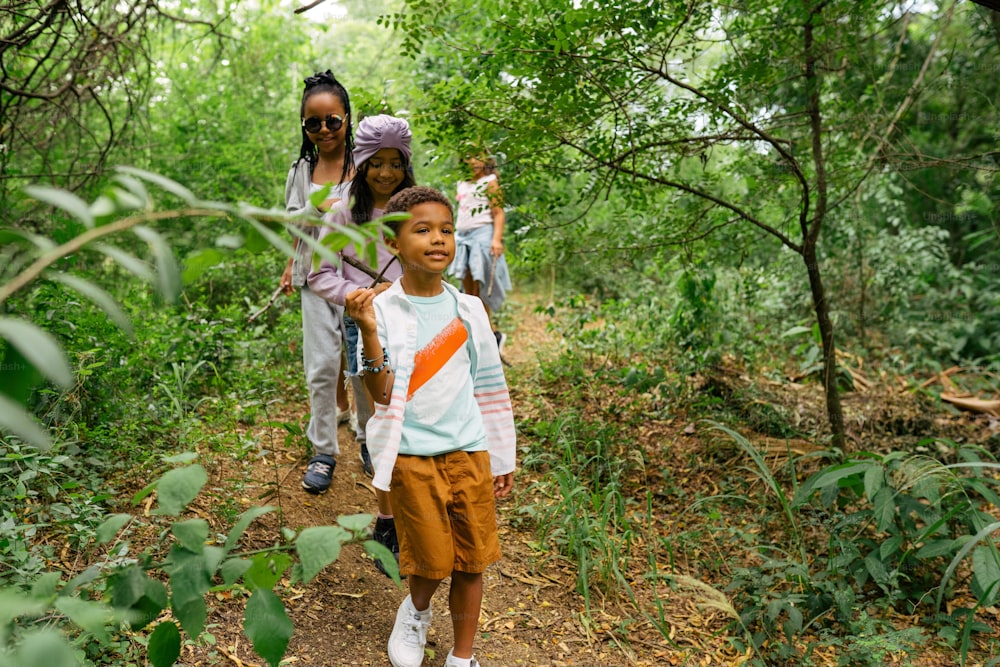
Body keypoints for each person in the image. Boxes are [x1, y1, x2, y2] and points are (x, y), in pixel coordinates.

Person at [345, 186, 516, 667]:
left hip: (469, 450)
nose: (438, 239)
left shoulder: (470, 309)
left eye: (446, 230)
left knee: (472, 560)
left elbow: (489, 384)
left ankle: (463, 656)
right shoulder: (381, 310)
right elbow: (380, 395)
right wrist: (369, 330)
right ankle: (416, 612)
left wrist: (502, 455)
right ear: (394, 242)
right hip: (411, 454)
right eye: (422, 230)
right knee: (431, 560)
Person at [307, 114, 415, 573]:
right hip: (365, 326)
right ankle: (386, 518)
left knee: (412, 419)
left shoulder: (415, 208)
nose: (386, 173)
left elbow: (433, 258)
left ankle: (410, 510)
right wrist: (350, 294)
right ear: (363, 163)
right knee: (378, 421)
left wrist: (406, 286)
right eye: (377, 163)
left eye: (396, 163)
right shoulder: (342, 210)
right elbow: (320, 273)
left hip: (415, 325)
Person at [280, 69, 355, 495]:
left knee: (365, 363)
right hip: (315, 278)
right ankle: (324, 450)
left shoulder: (364, 163)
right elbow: (296, 223)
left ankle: (369, 438)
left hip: (359, 279)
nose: (324, 129)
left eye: (332, 120)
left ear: (346, 117)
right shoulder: (300, 170)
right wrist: (292, 264)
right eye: (313, 123)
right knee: (322, 365)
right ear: (304, 126)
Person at [450, 150, 512, 352]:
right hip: (463, 237)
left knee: (480, 290)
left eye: (478, 156)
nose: (474, 160)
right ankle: (485, 335)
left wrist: (496, 239)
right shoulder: (462, 182)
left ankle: (488, 337)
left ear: (487, 159)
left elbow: (498, 212)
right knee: (468, 292)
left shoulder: (490, 181)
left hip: (482, 236)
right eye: (469, 156)